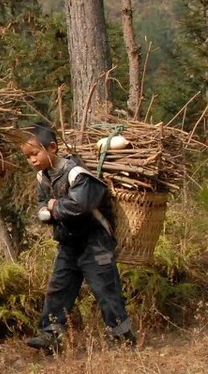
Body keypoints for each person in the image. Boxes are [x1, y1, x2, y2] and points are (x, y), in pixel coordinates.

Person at [21, 122, 135, 352]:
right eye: (27, 157)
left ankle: (122, 337)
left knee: (105, 289)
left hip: (95, 241)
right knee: (59, 288)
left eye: (35, 153)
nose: (32, 160)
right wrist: (50, 209)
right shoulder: (43, 178)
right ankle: (50, 334)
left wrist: (54, 208)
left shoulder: (77, 173)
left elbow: (80, 205)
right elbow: (42, 206)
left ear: (52, 147)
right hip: (68, 241)